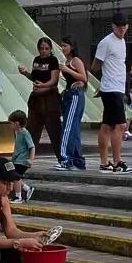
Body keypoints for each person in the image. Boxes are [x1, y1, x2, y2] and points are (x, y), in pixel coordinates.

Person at [93, 16, 130, 172]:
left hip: (118, 88)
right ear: (113, 26)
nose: (121, 29)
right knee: (120, 125)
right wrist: (103, 82)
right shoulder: (106, 42)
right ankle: (117, 162)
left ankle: (104, 163)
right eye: (119, 26)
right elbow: (95, 65)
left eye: (124, 26)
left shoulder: (122, 42)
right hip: (111, 88)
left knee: (107, 125)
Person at [17, 38, 63, 158]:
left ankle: (62, 157)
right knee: (32, 129)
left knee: (54, 131)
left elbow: (54, 81)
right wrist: (25, 73)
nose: (44, 51)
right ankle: (25, 156)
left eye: (46, 48)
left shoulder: (53, 60)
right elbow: (34, 78)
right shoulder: (36, 60)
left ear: (50, 49)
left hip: (49, 99)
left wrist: (43, 86)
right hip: (36, 100)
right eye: (42, 48)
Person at [57, 37, 88, 171]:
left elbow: (83, 77)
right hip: (69, 94)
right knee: (73, 128)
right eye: (61, 46)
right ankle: (78, 160)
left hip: (75, 96)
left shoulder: (76, 61)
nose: (63, 48)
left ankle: (66, 159)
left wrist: (67, 69)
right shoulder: (68, 61)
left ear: (71, 47)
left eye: (65, 46)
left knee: (68, 128)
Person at [8, 110, 35, 200]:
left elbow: (32, 147)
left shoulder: (25, 133)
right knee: (13, 175)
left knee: (16, 177)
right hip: (16, 159)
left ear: (17, 123)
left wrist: (31, 160)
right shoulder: (17, 132)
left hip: (23, 160)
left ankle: (18, 196)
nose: (10, 126)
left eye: (11, 124)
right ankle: (27, 189)